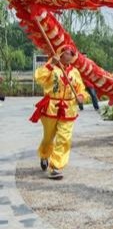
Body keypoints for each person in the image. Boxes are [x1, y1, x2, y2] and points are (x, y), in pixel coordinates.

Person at [30, 44, 86, 180]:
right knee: (48, 137)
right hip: (51, 107)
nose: (70, 56)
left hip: (68, 108)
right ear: (60, 54)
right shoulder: (52, 67)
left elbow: (81, 88)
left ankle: (56, 166)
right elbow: (38, 78)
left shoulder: (74, 72)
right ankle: (44, 155)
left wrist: (81, 96)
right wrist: (50, 65)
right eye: (67, 53)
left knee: (64, 138)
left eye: (72, 54)